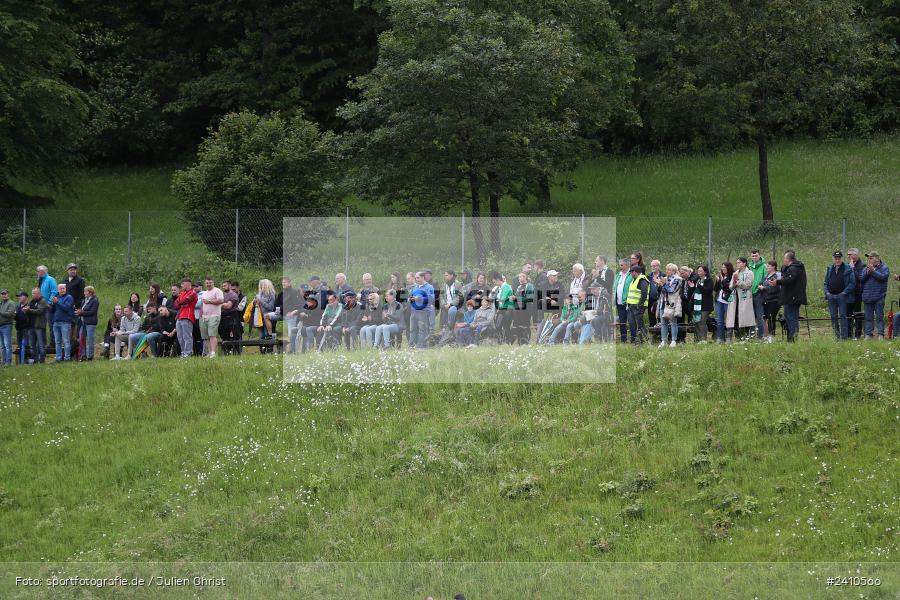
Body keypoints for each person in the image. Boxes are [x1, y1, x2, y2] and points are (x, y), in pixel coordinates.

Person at [771, 251, 807, 342]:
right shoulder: (789, 268)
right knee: (788, 317)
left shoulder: (794, 268)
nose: (783, 260)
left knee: (792, 318)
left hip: (794, 298)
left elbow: (790, 280)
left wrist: (777, 282)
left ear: (788, 259)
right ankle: (790, 338)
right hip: (788, 297)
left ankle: (793, 338)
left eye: (784, 258)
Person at [823, 251, 855, 340]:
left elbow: (852, 283)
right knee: (833, 316)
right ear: (833, 259)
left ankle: (844, 337)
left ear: (841, 258)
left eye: (839, 258)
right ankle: (836, 336)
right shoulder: (830, 269)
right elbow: (825, 283)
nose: (837, 260)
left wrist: (845, 292)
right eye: (836, 258)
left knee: (842, 316)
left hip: (842, 296)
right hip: (831, 297)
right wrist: (827, 293)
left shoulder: (847, 268)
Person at [859, 251, 890, 339]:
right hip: (867, 297)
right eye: (868, 258)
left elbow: (883, 278)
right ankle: (868, 334)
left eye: (871, 258)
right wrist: (868, 272)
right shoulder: (866, 268)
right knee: (868, 317)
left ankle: (881, 334)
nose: (869, 259)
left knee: (879, 317)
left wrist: (873, 271)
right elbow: (861, 279)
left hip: (879, 297)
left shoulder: (884, 267)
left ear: (877, 258)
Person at [726, 257, 755, 341]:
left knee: (746, 318)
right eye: (737, 262)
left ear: (744, 263)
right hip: (735, 298)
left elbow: (747, 285)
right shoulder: (735, 273)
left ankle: (749, 337)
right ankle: (738, 337)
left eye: (739, 262)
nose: (737, 264)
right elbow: (731, 287)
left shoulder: (749, 273)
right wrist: (734, 282)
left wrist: (737, 280)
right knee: (735, 318)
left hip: (745, 299)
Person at [655, 264, 682, 348]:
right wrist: (658, 284)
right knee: (663, 323)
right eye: (667, 270)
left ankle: (673, 341)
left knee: (673, 322)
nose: (667, 271)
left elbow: (671, 290)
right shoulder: (665, 279)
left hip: (672, 303)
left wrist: (662, 284)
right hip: (663, 302)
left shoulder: (678, 279)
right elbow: (660, 291)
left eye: (669, 270)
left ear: (674, 271)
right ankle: (663, 341)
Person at [198, 276, 224, 357]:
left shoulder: (217, 290)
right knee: (206, 336)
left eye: (210, 283)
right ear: (205, 284)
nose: (208, 284)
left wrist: (209, 301)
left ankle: (213, 352)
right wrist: (201, 315)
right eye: (207, 283)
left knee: (212, 334)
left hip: (214, 315)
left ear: (213, 283)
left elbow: (221, 301)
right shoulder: (204, 293)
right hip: (204, 316)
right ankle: (209, 353)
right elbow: (202, 304)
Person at [408, 272, 434, 349]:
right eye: (415, 278)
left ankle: (421, 347)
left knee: (422, 330)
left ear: (423, 277)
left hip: (423, 311)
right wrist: (410, 299)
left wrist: (418, 298)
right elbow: (412, 296)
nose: (416, 279)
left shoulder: (429, 287)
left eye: (418, 278)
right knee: (412, 329)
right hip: (414, 311)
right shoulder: (415, 287)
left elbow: (431, 299)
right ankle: (411, 346)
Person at [174, 277, 198, 358]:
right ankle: (184, 352)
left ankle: (188, 352)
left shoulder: (193, 292)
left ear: (188, 283)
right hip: (179, 317)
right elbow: (176, 305)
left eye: (183, 284)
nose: (182, 285)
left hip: (187, 316)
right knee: (180, 337)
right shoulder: (182, 293)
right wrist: (182, 303)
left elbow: (185, 300)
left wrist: (181, 302)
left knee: (187, 336)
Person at [625, 264, 650, 344]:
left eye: (631, 272)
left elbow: (644, 292)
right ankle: (637, 340)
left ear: (635, 272)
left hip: (638, 306)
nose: (631, 274)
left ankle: (644, 340)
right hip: (632, 305)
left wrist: (640, 304)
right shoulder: (635, 279)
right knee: (633, 324)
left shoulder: (642, 280)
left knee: (640, 324)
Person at [50, 283, 75, 361]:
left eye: (63, 288)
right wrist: (52, 304)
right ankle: (58, 358)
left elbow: (66, 308)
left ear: (66, 289)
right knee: (57, 342)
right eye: (60, 289)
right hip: (56, 322)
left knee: (66, 341)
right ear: (58, 290)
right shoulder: (57, 297)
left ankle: (67, 358)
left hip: (65, 322)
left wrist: (57, 302)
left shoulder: (69, 297)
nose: (62, 290)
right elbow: (52, 311)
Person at [758, 260, 781, 343]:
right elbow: (760, 283)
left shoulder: (777, 276)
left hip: (774, 300)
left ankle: (772, 336)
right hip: (765, 300)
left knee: (771, 318)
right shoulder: (766, 275)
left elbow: (776, 288)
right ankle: (766, 336)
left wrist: (764, 288)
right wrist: (761, 286)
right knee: (765, 318)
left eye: (768, 266)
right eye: (767, 266)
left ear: (773, 266)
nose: (767, 268)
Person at [75, 286, 99, 360]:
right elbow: (82, 309)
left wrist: (81, 312)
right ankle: (83, 355)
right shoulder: (84, 300)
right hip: (83, 322)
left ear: (90, 292)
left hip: (90, 322)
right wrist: (78, 311)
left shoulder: (95, 300)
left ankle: (90, 356)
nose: (84, 293)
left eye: (85, 291)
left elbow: (92, 312)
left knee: (90, 339)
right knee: (82, 338)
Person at [846, 248, 866, 338]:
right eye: (848, 254)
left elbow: (860, 278)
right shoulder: (848, 265)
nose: (849, 256)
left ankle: (857, 334)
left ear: (856, 255)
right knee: (848, 314)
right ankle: (849, 334)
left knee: (858, 315)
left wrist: (852, 269)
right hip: (849, 294)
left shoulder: (862, 265)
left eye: (851, 254)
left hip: (857, 294)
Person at [24, 288, 49, 363]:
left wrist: (28, 310)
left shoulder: (43, 301)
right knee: (32, 345)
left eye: (35, 293)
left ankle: (42, 360)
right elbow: (27, 310)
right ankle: (35, 360)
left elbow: (39, 311)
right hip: (30, 326)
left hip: (39, 326)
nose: (34, 295)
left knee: (41, 345)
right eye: (32, 293)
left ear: (39, 293)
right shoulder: (30, 301)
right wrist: (25, 310)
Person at [510, 271, 535, 344]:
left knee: (525, 326)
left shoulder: (529, 286)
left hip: (527, 308)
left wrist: (516, 298)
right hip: (518, 309)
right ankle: (519, 342)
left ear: (526, 277)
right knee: (518, 326)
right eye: (519, 277)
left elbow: (530, 298)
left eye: (523, 276)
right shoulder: (518, 287)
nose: (521, 278)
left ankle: (525, 342)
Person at [692, 265, 714, 342]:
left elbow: (708, 291)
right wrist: (693, 286)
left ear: (705, 272)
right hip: (696, 304)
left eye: (701, 271)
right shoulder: (697, 280)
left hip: (705, 305)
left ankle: (703, 339)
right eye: (698, 271)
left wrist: (698, 286)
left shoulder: (709, 280)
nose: (699, 272)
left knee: (702, 321)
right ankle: (698, 339)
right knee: (697, 322)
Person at [747, 250, 767, 339]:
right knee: (751, 316)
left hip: (759, 293)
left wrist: (761, 285)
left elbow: (766, 278)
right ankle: (752, 335)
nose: (754, 257)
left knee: (760, 316)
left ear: (759, 256)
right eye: (753, 256)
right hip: (749, 293)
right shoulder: (749, 266)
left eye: (756, 256)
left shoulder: (764, 266)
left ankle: (761, 336)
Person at [491, 271, 515, 343]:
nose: (494, 283)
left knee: (506, 326)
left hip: (508, 308)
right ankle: (505, 340)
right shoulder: (500, 288)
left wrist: (496, 299)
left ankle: (508, 341)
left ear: (498, 279)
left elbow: (503, 299)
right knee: (499, 326)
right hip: (502, 309)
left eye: (494, 281)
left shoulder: (506, 287)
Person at [713, 262, 734, 343]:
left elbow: (729, 288)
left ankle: (729, 338)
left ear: (729, 268)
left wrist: (722, 280)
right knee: (719, 320)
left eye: (724, 267)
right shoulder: (721, 276)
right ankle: (720, 338)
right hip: (719, 300)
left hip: (727, 300)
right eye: (722, 267)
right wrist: (718, 281)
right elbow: (715, 289)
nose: (723, 269)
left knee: (729, 319)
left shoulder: (732, 276)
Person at [613, 260, 632, 343]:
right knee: (622, 321)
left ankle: (633, 338)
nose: (620, 267)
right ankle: (623, 339)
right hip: (619, 302)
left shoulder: (631, 274)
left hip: (628, 302)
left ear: (627, 265)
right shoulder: (618, 275)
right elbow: (614, 288)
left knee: (631, 321)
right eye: (619, 265)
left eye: (622, 265)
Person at [0, 289, 15, 365]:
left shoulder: (11, 303)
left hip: (7, 326)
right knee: (2, 346)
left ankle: (8, 361)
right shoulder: (1, 303)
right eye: (2, 294)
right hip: (0, 326)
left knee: (7, 345)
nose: (3, 295)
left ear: (8, 294)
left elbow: (10, 314)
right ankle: (3, 360)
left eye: (5, 293)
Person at [15, 291, 30, 363]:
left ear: (25, 297)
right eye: (18, 296)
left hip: (26, 328)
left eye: (20, 296)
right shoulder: (17, 306)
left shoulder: (29, 305)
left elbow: (28, 317)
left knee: (27, 345)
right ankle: (20, 361)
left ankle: (26, 360)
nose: (19, 297)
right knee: (19, 346)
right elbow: (16, 317)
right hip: (19, 328)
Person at [646, 260, 662, 329]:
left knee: (660, 317)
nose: (653, 267)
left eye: (654, 266)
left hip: (660, 300)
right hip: (650, 300)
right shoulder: (648, 276)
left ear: (658, 266)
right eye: (651, 266)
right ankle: (653, 336)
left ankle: (661, 336)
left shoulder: (663, 276)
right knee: (651, 317)